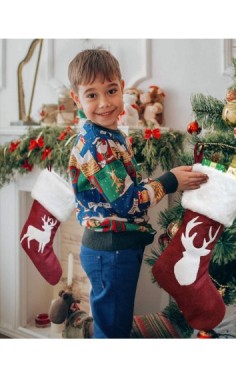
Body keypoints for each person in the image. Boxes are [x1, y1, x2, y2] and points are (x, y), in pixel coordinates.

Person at [67, 48, 208, 338]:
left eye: (111, 90)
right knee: (115, 330)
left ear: (122, 87)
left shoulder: (112, 135)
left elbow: (126, 183)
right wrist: (169, 181)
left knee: (113, 320)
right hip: (111, 249)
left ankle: (96, 331)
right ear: (76, 99)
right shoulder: (97, 143)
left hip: (117, 247)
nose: (105, 103)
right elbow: (126, 201)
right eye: (92, 95)